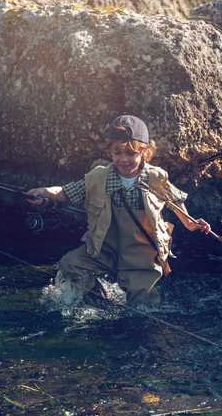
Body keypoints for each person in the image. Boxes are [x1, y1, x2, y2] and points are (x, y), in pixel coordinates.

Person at [27, 115, 211, 307]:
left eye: (131, 153)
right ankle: (98, 297)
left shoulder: (156, 178)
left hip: (141, 253)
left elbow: (175, 200)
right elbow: (66, 192)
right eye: (118, 153)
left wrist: (190, 224)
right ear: (110, 152)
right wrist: (43, 192)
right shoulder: (99, 177)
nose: (124, 159)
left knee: (143, 305)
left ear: (145, 153)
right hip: (104, 247)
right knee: (69, 265)